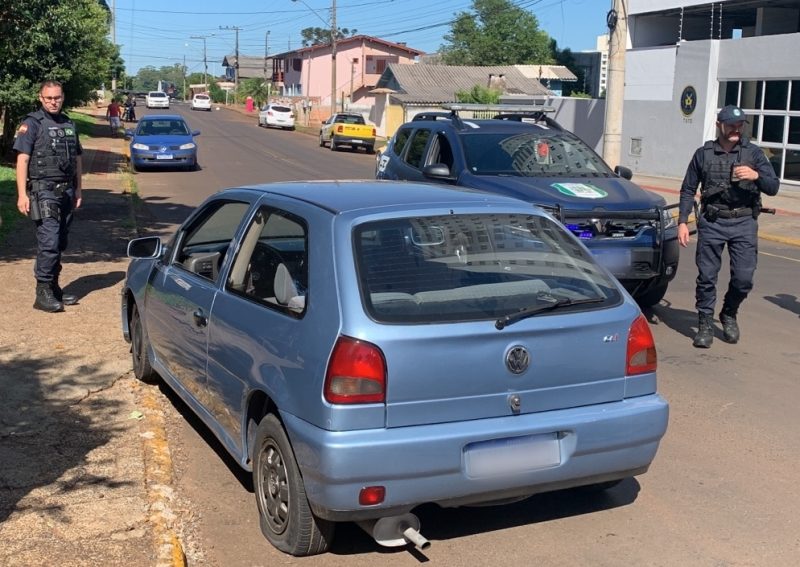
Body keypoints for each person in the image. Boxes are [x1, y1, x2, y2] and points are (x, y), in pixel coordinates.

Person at [677, 104, 779, 348]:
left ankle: (729, 312)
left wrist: (756, 176)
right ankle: (704, 322)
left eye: (740, 125)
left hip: (744, 221)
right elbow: (688, 189)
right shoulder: (703, 154)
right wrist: (682, 221)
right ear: (719, 125)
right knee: (706, 276)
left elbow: (773, 187)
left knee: (744, 278)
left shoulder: (754, 154)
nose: (736, 129)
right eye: (731, 125)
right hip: (713, 221)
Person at [14, 80, 83, 313]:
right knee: (49, 241)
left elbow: (77, 159)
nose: (53, 102)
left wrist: (79, 190)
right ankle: (42, 292)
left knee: (61, 241)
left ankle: (54, 287)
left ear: (63, 97)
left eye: (57, 97)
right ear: (41, 98)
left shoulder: (69, 123)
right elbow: (22, 159)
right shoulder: (31, 124)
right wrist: (22, 194)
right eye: (49, 98)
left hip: (67, 191)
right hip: (43, 191)